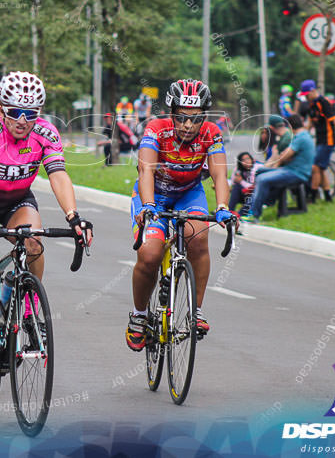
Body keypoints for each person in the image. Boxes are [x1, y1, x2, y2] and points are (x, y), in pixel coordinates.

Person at [0, 71, 93, 387]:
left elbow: (58, 175)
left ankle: (30, 311)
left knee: (34, 241)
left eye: (30, 113)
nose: (22, 120)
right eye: (15, 111)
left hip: (17, 200)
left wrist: (74, 216)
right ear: (2, 107)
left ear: (39, 113)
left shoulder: (46, 133)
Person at [127, 79, 233, 351]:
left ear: (204, 117)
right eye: (182, 118)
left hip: (189, 194)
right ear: (172, 113)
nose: (188, 126)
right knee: (149, 254)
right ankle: (139, 316)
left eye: (195, 120)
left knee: (198, 237)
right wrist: (149, 206)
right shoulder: (156, 129)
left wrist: (222, 207)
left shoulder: (211, 133)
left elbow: (220, 174)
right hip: (154, 194)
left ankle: (195, 311)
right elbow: (145, 170)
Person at [241, 114, 314, 223]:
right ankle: (265, 200)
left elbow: (285, 155)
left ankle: (254, 214)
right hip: (290, 170)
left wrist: (283, 155)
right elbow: (284, 155)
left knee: (262, 179)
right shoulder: (302, 136)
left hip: (296, 173)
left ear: (291, 126)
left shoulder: (301, 137)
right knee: (260, 171)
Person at [299, 79, 335, 202]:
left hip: (329, 140)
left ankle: (312, 196)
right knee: (320, 168)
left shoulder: (324, 103)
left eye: (306, 95)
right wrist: (301, 135)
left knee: (315, 167)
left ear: (313, 91)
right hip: (320, 140)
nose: (305, 98)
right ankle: (327, 196)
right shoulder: (311, 104)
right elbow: (310, 123)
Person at [229, 151, 262, 217]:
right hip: (244, 193)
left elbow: (254, 187)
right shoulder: (239, 169)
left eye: (248, 159)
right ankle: (229, 210)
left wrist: (241, 181)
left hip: (256, 194)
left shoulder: (257, 168)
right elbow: (232, 181)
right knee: (236, 186)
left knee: (251, 193)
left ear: (251, 159)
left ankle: (241, 214)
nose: (246, 161)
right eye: (243, 160)